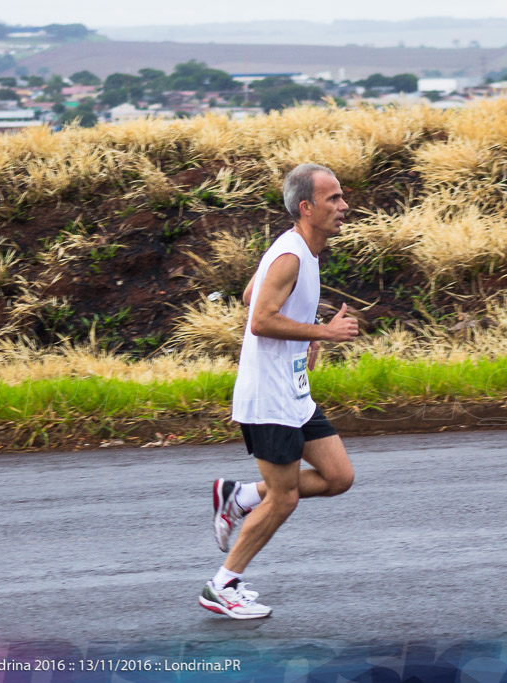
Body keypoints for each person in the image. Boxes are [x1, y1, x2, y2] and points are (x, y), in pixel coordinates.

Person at [198, 163, 360, 619]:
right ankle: (222, 585)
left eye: (341, 196)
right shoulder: (290, 255)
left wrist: (305, 335)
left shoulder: (299, 250)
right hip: (268, 399)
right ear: (306, 207)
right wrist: (321, 333)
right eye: (333, 199)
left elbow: (254, 294)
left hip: (293, 391)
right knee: (284, 496)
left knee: (338, 477)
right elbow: (259, 318)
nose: (343, 206)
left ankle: (242, 497)